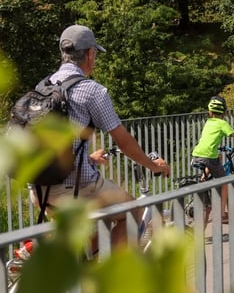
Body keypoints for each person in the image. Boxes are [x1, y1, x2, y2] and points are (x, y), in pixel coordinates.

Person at [41, 24, 170, 246]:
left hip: (39, 188)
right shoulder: (92, 90)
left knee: (89, 235)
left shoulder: (43, 86)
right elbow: (124, 141)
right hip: (74, 187)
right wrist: (154, 166)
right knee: (132, 211)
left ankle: (84, 271)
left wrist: (89, 159)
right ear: (90, 54)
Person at [191, 95, 234, 224]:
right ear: (224, 112)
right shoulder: (222, 123)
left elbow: (209, 141)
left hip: (197, 154)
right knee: (224, 183)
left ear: (210, 112)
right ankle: (222, 214)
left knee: (217, 156)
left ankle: (203, 178)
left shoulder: (208, 122)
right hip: (208, 157)